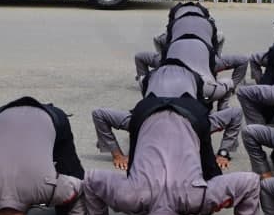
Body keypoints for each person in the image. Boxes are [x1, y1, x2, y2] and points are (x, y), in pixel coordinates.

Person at [82, 94, 261, 215]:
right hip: (149, 111)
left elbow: (251, 182)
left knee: (208, 193)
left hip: (189, 114)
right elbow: (90, 180)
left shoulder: (196, 198)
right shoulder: (130, 196)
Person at [93, 59, 244, 170]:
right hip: (157, 87)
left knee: (221, 88)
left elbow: (235, 114)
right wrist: (117, 154)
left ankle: (223, 90)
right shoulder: (137, 122)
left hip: (192, 79)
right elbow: (99, 114)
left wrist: (223, 153)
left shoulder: (199, 123)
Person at [136, 7, 249, 91]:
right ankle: (232, 86)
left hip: (175, 63)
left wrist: (163, 59)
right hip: (204, 63)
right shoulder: (211, 31)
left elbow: (157, 39)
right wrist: (216, 57)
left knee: (140, 57)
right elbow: (221, 38)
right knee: (242, 60)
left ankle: (148, 82)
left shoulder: (174, 29)